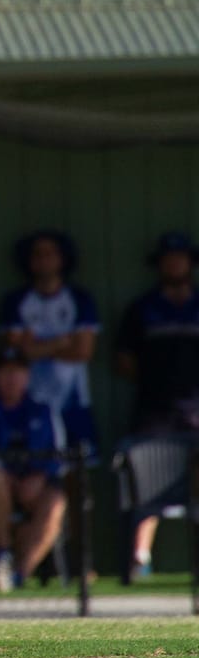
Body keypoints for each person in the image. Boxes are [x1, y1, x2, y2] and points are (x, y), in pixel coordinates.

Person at [112, 230, 199, 580]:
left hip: (195, 411)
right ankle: (140, 558)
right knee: (146, 483)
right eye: (168, 259)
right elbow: (124, 361)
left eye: (180, 258)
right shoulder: (142, 309)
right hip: (153, 411)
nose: (174, 264)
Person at [0, 347, 68, 592]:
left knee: (55, 502)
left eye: (17, 371)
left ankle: (19, 574)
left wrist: (39, 477)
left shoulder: (44, 409)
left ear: (27, 376)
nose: (11, 378)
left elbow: (58, 454)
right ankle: (3, 553)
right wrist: (11, 480)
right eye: (5, 371)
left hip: (35, 487)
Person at [0, 230, 100, 459]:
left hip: (73, 399)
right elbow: (18, 352)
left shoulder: (79, 299)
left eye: (50, 253)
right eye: (37, 254)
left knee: (79, 465)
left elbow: (83, 351)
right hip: (31, 401)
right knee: (37, 464)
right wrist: (61, 341)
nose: (44, 259)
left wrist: (38, 345)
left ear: (62, 258)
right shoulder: (17, 301)